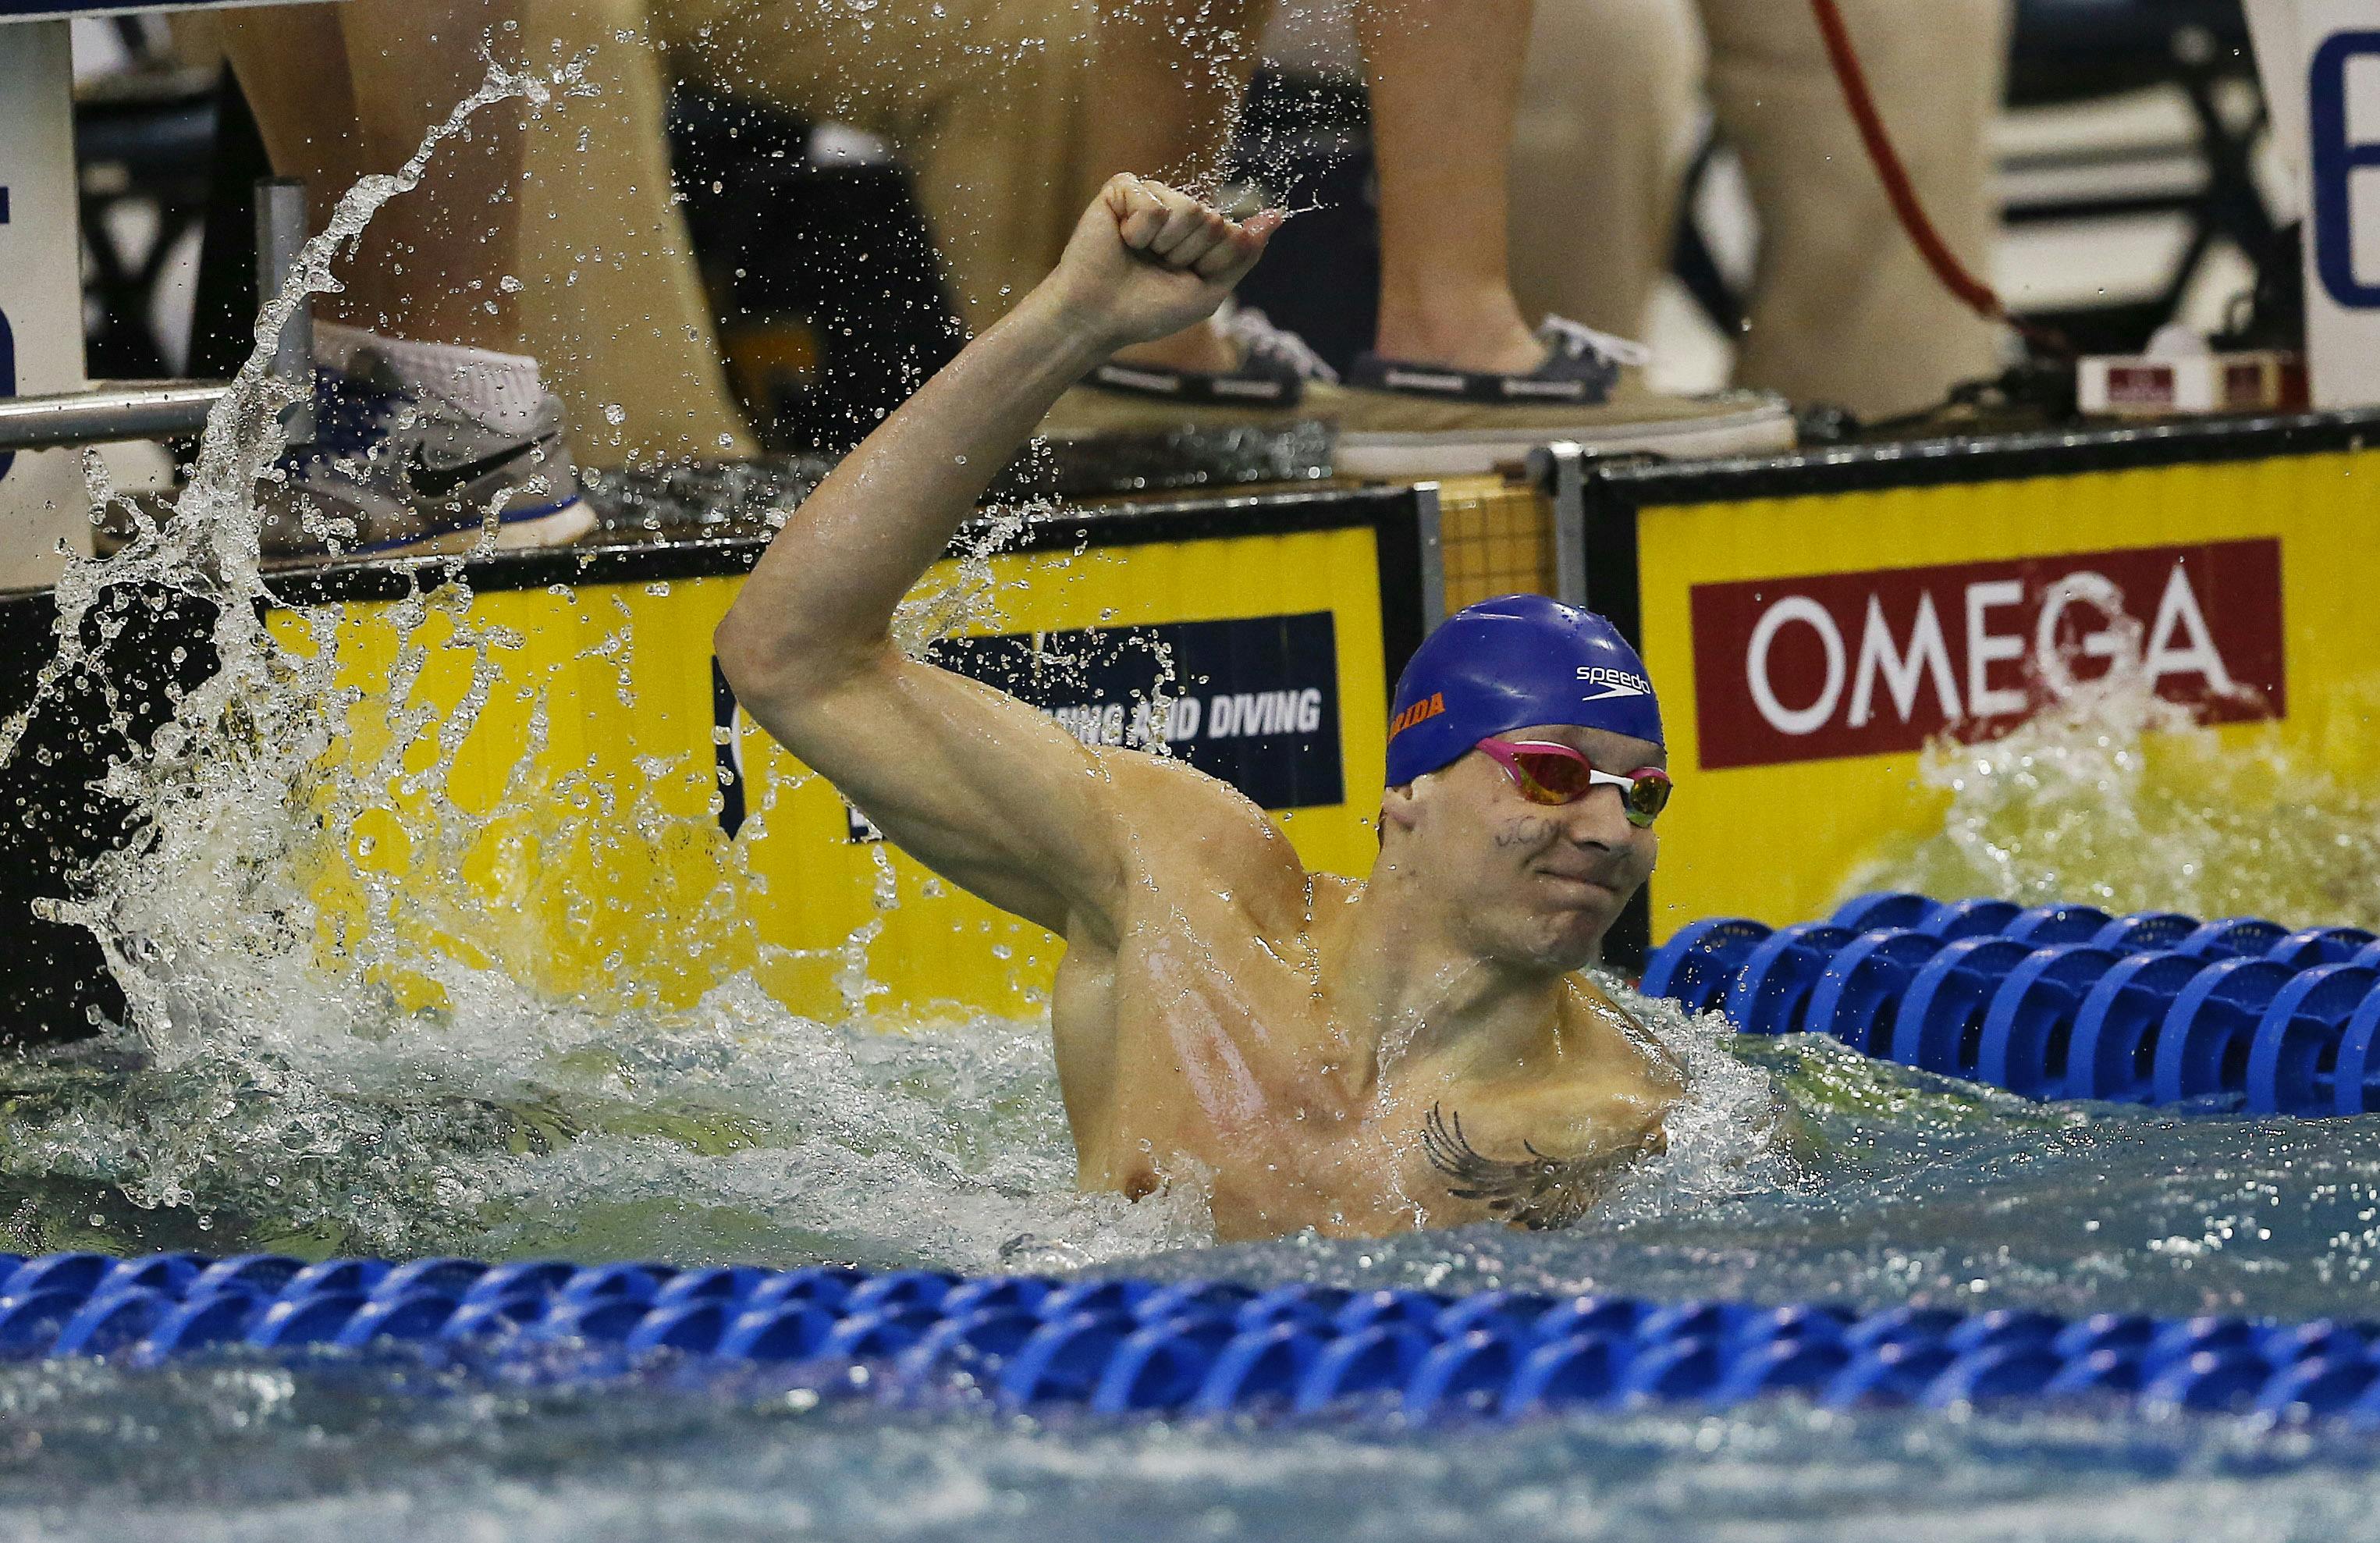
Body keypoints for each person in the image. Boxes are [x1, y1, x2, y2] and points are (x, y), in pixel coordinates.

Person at [715, 179, 1685, 1242]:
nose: (1605, 831)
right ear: (1410, 786)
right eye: (1550, 773)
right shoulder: (1183, 887)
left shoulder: (1624, 1124)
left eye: (1640, 797)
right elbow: (793, 656)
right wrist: (1071, 321)